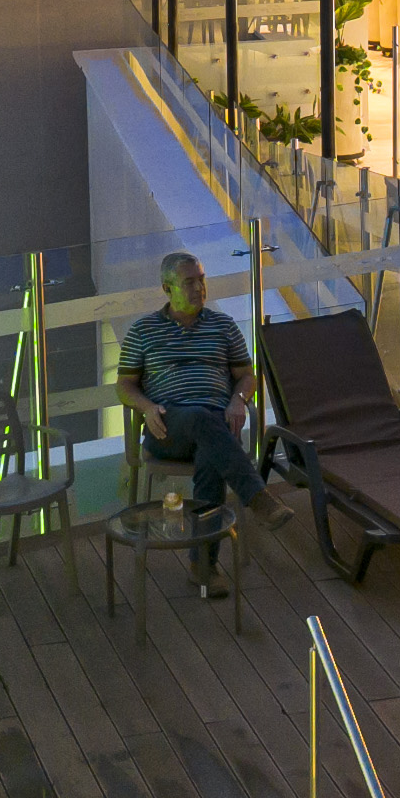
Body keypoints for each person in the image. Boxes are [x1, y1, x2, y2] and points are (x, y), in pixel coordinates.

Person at [114, 250, 288, 597]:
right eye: (189, 282)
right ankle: (258, 497)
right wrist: (147, 408)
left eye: (202, 280)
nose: (199, 288)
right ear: (167, 288)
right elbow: (124, 386)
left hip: (214, 429)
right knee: (200, 417)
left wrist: (238, 399)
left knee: (211, 456)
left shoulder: (223, 326)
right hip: (169, 428)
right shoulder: (143, 330)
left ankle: (204, 566)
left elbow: (246, 376)